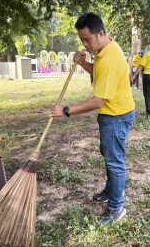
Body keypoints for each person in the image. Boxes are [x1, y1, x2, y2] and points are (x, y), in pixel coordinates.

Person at [50, 13, 135, 225]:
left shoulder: (109, 60)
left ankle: (116, 208)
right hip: (114, 113)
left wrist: (66, 110)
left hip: (115, 116)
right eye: (82, 40)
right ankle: (110, 189)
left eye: (88, 39)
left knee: (114, 161)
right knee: (108, 154)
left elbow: (98, 101)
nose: (85, 44)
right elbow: (98, 73)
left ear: (101, 33)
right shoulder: (105, 49)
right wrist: (84, 64)